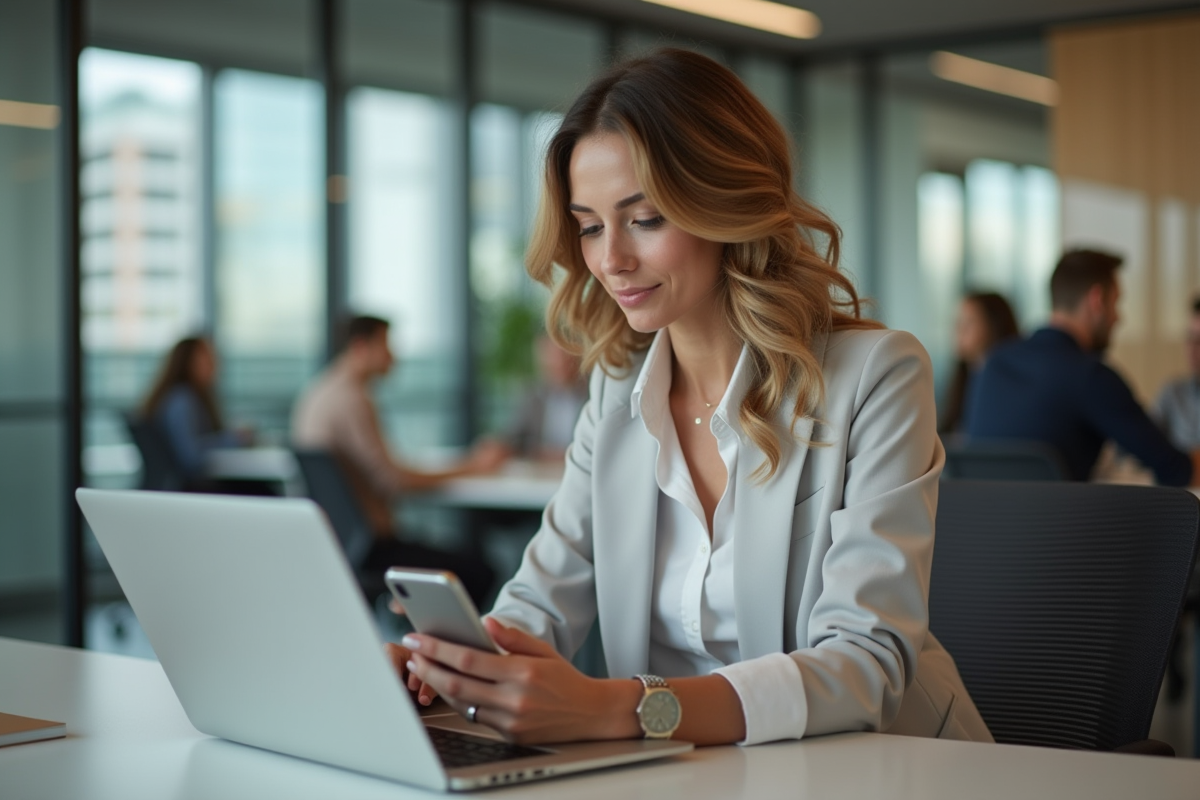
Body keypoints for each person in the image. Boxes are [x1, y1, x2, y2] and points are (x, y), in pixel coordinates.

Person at [387, 48, 991, 748]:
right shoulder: (616, 394)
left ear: (723, 203)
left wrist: (623, 710)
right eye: (588, 225)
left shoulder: (876, 377)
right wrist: (451, 664)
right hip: (688, 776)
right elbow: (536, 606)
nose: (610, 259)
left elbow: (865, 665)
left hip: (884, 769)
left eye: (643, 219)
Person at [291, 315, 506, 605]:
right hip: (373, 547)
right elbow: (393, 481)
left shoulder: (315, 393)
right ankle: (435, 647)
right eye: (385, 345)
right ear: (360, 347)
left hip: (338, 544)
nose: (393, 356)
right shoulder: (353, 399)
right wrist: (472, 466)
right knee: (481, 572)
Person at [967, 250, 1197, 485]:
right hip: (1055, 521)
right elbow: (1176, 470)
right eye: (1116, 304)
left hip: (979, 520)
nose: (1118, 318)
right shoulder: (1091, 376)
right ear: (1096, 300)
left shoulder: (993, 365)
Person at [141, 336, 250, 487]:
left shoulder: (187, 398)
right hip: (191, 487)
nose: (215, 364)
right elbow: (191, 457)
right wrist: (233, 439)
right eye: (207, 359)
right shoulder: (181, 401)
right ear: (188, 363)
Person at [939, 292, 1018, 434]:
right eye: (958, 323)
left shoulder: (1011, 383)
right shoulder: (961, 381)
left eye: (969, 323)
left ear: (994, 326)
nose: (959, 331)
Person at [503, 334, 588, 463]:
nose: (557, 362)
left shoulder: (592, 395)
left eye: (562, 354)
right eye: (550, 355)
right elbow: (514, 438)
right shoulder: (532, 395)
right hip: (540, 476)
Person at [1152, 297, 1200, 451]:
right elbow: (1142, 443)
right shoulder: (1173, 394)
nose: (1191, 349)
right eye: (1189, 338)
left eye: (1199, 341)